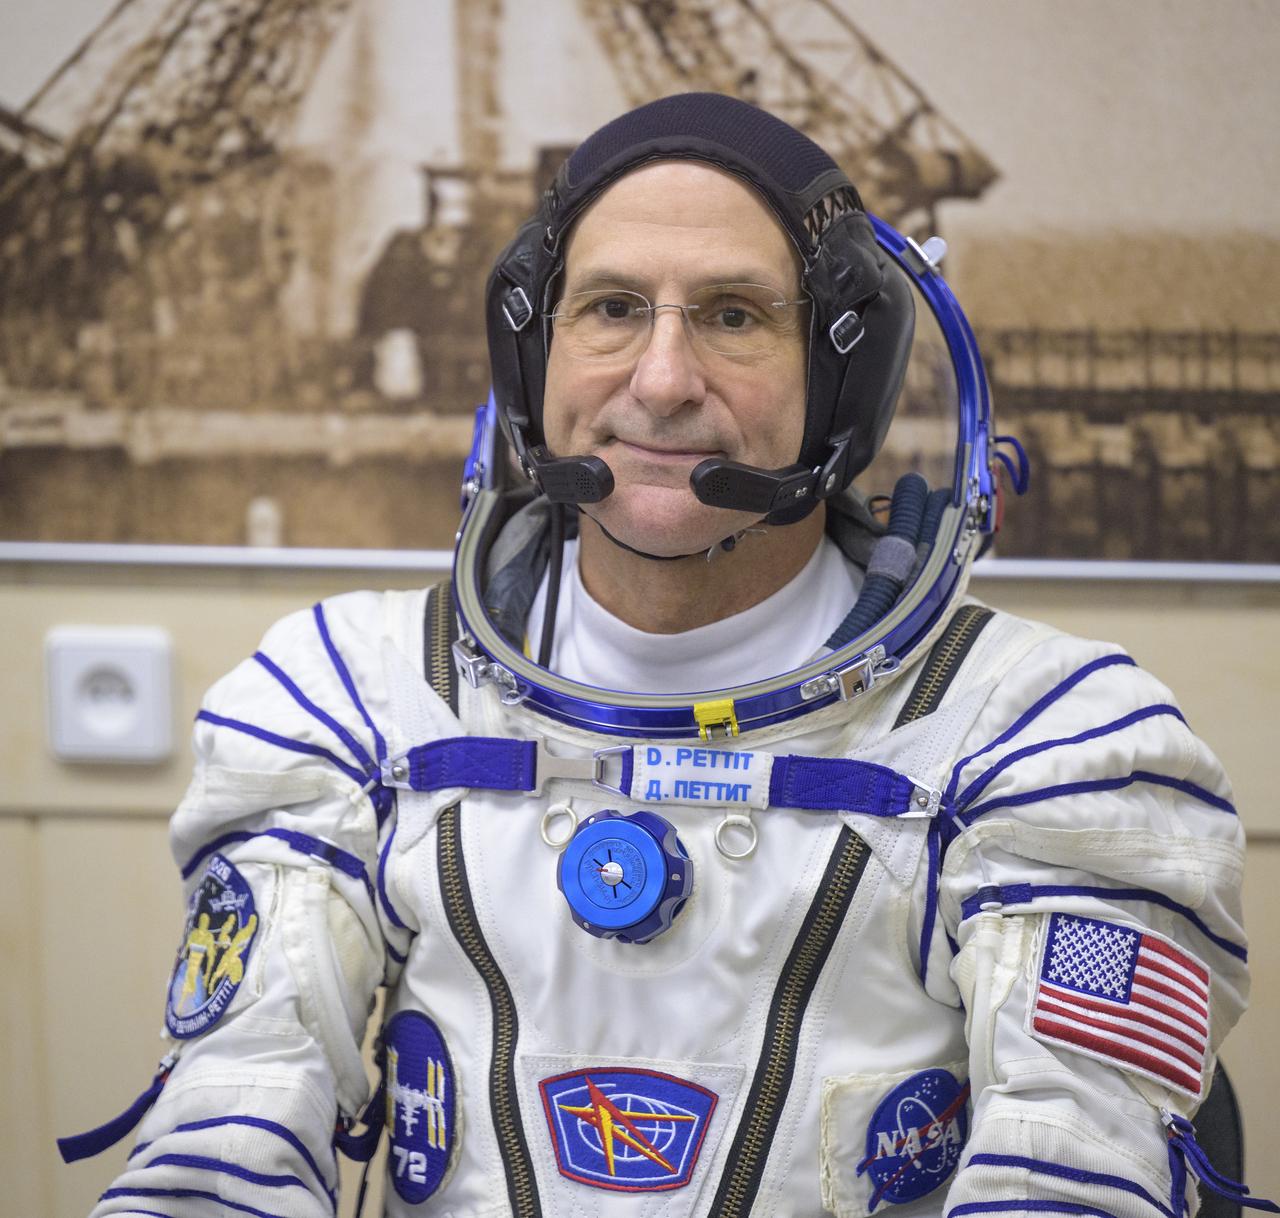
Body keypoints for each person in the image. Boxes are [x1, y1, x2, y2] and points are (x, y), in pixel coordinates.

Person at [66, 94, 1256, 1218]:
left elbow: (1068, 1172)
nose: (662, 380)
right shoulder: (348, 702)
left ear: (843, 378)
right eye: (611, 309)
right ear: (532, 354)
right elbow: (224, 1145)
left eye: (733, 316)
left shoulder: (1049, 742)